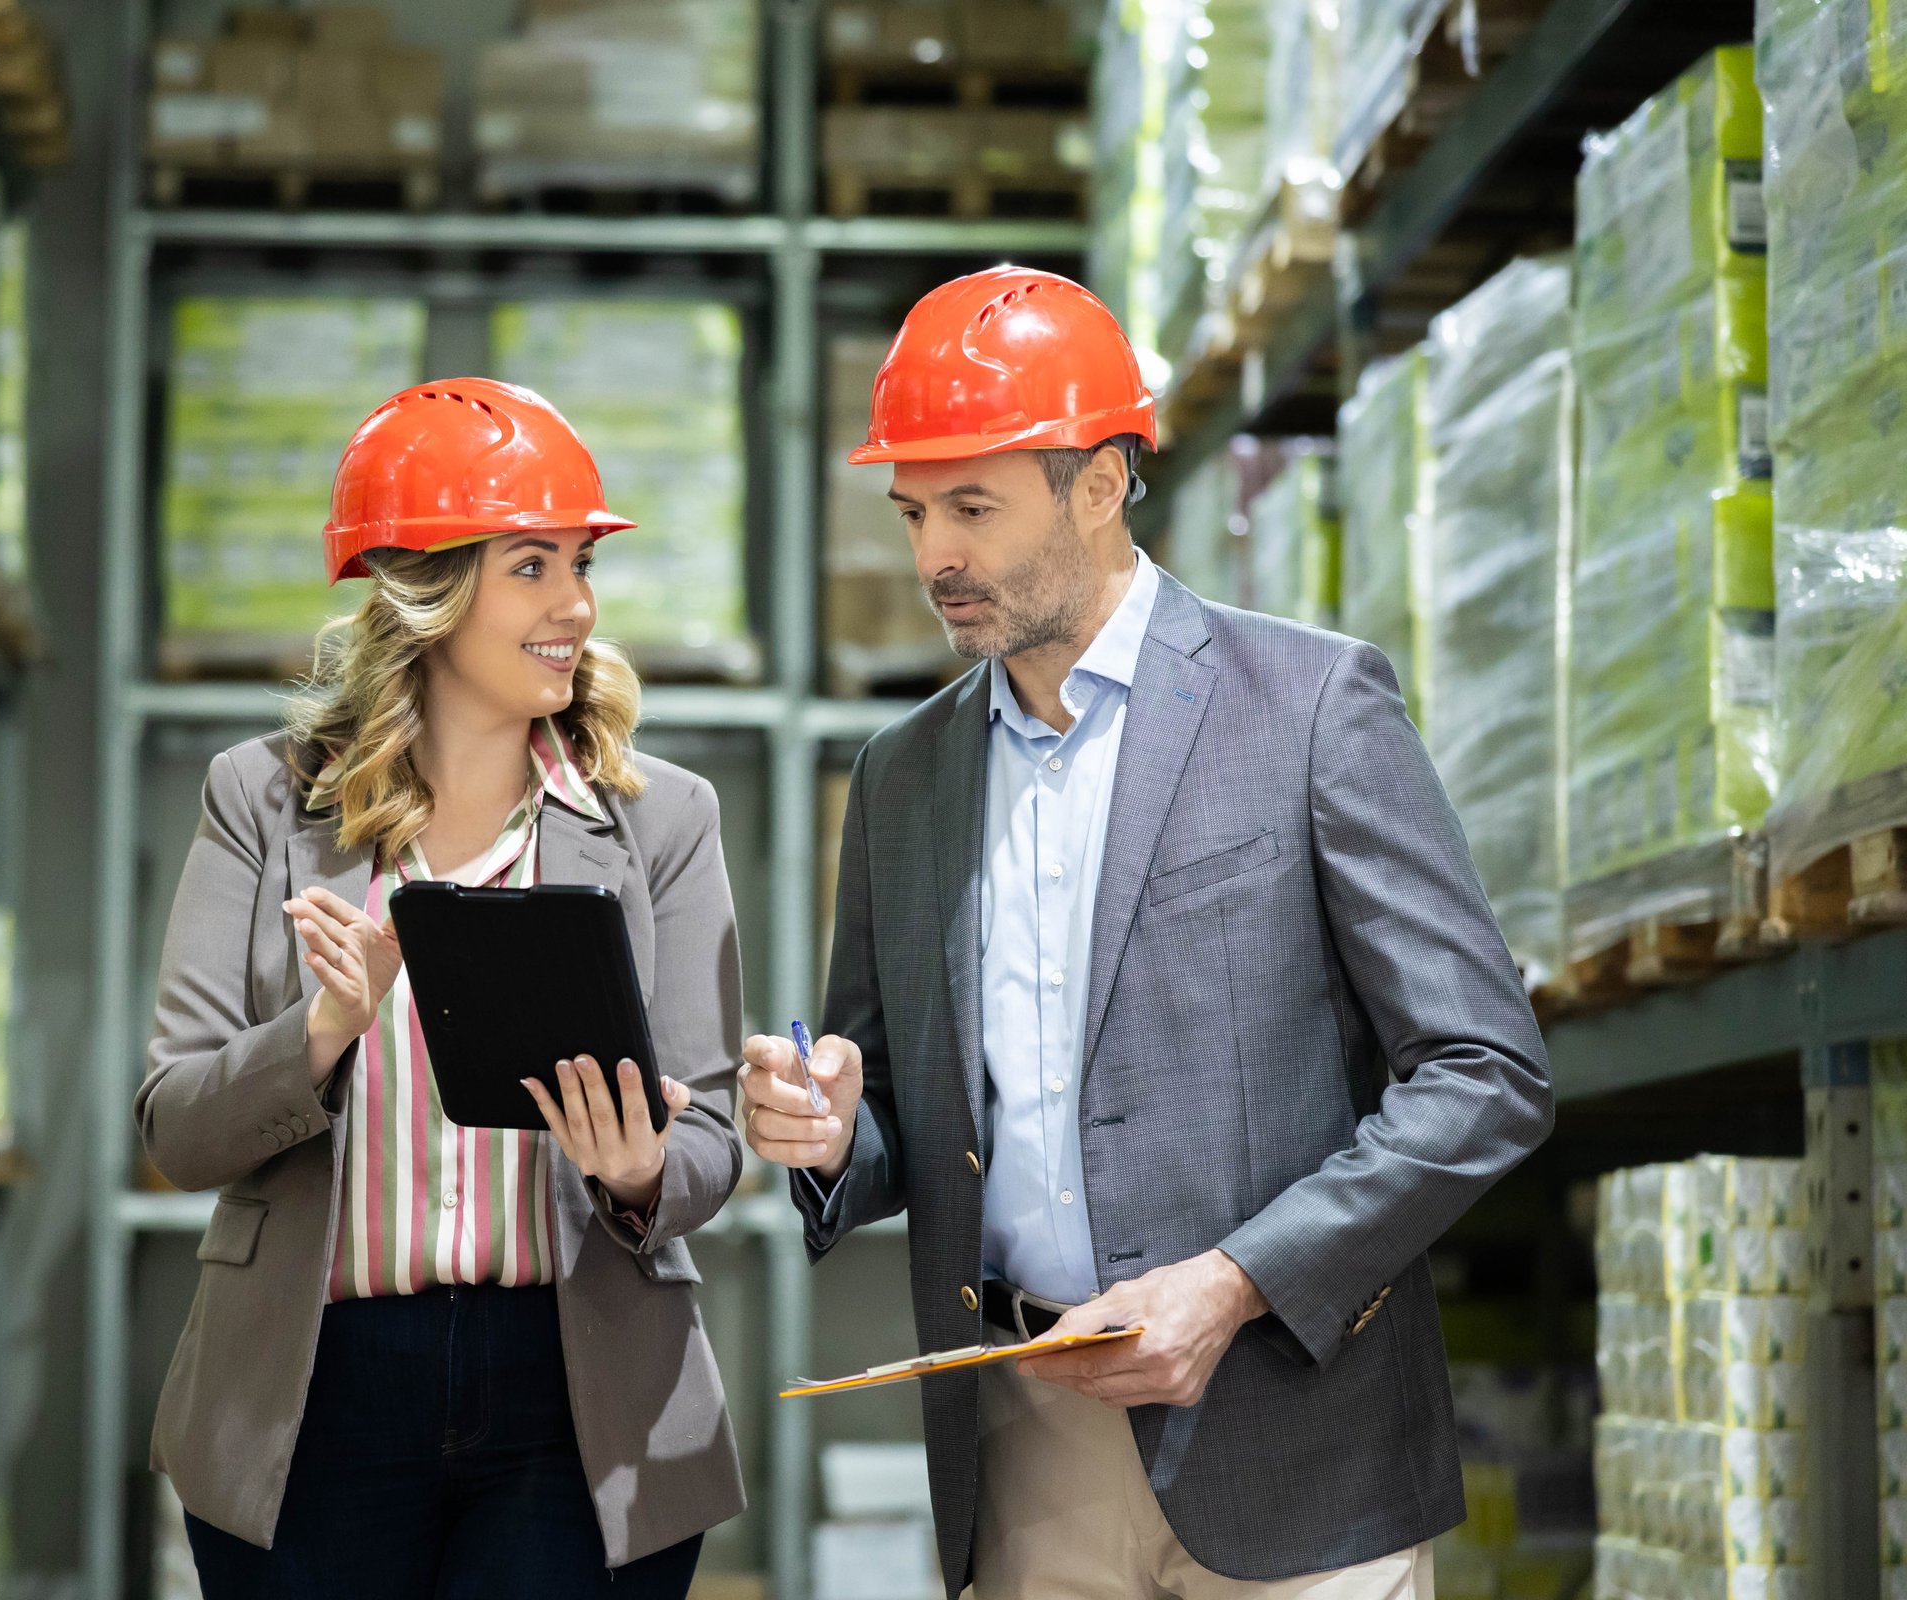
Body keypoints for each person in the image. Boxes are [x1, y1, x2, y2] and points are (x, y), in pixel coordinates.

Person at [739, 267, 1554, 1600]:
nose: (934, 555)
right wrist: (831, 1131)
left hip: (1295, 1435)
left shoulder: (1307, 707)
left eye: (974, 507)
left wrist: (1233, 1281)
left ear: (1104, 482)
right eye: (913, 512)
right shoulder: (903, 778)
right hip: (1027, 1443)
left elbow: (1485, 1074)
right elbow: (891, 1102)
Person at [140, 379, 747, 1598]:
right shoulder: (261, 801)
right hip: (313, 1393)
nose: (575, 605)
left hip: (571, 1395)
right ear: (424, 589)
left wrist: (635, 1168)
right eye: (532, 567)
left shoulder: (661, 821)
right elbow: (175, 1126)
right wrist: (322, 1031)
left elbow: (714, 1145)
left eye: (581, 564)